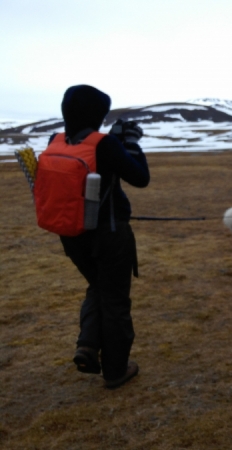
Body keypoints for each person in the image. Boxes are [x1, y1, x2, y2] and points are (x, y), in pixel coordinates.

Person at [46, 85, 150, 388]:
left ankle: (88, 346)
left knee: (99, 286)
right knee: (115, 299)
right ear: (97, 114)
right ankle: (116, 370)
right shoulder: (105, 144)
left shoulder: (55, 141)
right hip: (110, 235)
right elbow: (140, 178)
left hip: (71, 234)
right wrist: (130, 143)